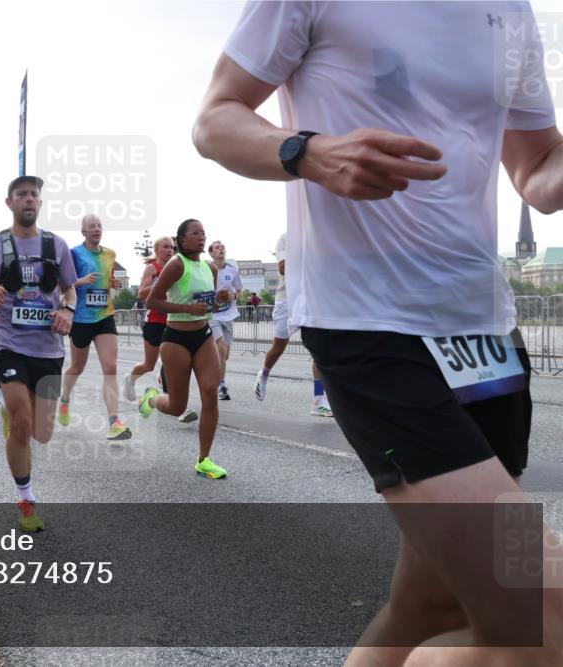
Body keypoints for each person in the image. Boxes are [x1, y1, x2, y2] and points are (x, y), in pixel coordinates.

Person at [194, 3, 562, 664]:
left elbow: (536, 170)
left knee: (432, 602)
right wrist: (308, 152)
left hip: (485, 332)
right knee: (544, 613)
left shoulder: (513, 10)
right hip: (367, 321)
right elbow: (215, 119)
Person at [0, 175, 77, 532]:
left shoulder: (57, 245)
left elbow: (70, 291)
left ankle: (17, 418)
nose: (29, 199)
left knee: (42, 432)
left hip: (48, 348)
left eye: (34, 195)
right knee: (22, 425)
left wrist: (67, 311)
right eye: (22, 194)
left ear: (40, 203)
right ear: (9, 203)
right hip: (9, 343)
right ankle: (26, 501)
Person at [138, 220, 233, 479]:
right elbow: (152, 300)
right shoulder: (176, 264)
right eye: (195, 234)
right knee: (178, 406)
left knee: (211, 393)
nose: (201, 238)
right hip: (176, 339)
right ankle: (151, 399)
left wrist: (218, 300)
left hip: (202, 336)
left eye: (203, 233)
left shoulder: (209, 268)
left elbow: (207, 305)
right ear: (181, 239)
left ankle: (204, 460)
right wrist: (187, 309)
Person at [58, 214, 131, 441]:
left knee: (110, 367)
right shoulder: (74, 253)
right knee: (77, 367)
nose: (97, 229)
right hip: (80, 318)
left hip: (104, 316)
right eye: (92, 227)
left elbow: (105, 281)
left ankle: (114, 421)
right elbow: (64, 285)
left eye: (99, 226)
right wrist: (81, 281)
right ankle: (65, 399)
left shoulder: (110, 254)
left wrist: (112, 283)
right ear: (83, 232)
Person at [254, 233, 333, 416]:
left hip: (311, 299)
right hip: (287, 300)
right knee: (278, 347)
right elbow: (283, 268)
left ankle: (318, 400)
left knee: (318, 350)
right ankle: (264, 374)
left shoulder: (318, 235)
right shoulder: (286, 237)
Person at [122, 237, 198, 423]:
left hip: (173, 320)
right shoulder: (152, 268)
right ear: (156, 250)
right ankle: (130, 378)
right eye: (165, 247)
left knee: (171, 363)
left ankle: (178, 406)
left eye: (172, 247)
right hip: (154, 320)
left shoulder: (178, 266)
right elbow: (141, 293)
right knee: (149, 364)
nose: (169, 250)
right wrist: (162, 281)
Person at [207, 241, 242, 400]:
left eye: (222, 247)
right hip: (213, 315)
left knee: (225, 354)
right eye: (217, 247)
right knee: (220, 349)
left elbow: (240, 291)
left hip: (228, 315)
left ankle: (214, 370)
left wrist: (232, 296)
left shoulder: (233, 271)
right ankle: (221, 385)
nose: (221, 249)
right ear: (211, 253)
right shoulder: (206, 269)